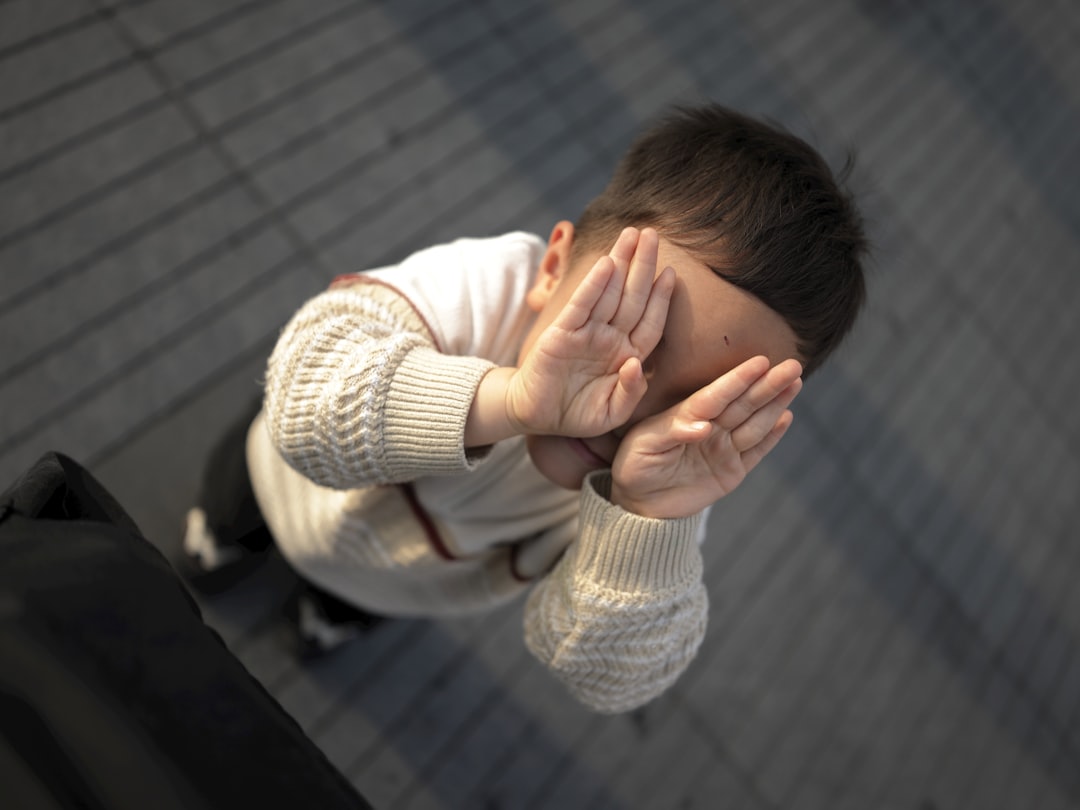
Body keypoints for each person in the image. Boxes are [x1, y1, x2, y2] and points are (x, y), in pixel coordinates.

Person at [182, 103, 868, 713]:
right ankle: (223, 537)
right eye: (626, 337)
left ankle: (337, 611)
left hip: (408, 581)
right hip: (282, 481)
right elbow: (306, 397)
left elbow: (608, 675)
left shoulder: (671, 474)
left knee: (363, 597)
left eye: (694, 402)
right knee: (238, 501)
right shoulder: (487, 289)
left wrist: (643, 518)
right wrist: (509, 401)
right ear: (552, 269)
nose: (618, 411)